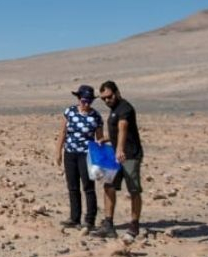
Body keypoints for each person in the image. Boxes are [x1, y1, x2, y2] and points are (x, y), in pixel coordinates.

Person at [95, 80, 144, 239]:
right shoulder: (114, 110)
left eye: (109, 97)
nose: (107, 101)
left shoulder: (125, 108)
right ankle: (108, 224)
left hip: (129, 155)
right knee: (109, 186)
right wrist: (107, 139)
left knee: (134, 190)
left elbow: (123, 127)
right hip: (116, 155)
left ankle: (134, 225)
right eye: (103, 99)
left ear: (116, 92)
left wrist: (120, 149)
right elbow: (117, 132)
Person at [54, 84, 104, 230]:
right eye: (83, 100)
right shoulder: (69, 112)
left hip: (86, 154)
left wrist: (99, 161)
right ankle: (74, 218)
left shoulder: (96, 116)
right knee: (73, 187)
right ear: (78, 99)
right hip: (70, 153)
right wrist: (58, 151)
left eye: (89, 101)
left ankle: (90, 220)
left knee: (88, 187)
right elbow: (62, 132)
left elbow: (99, 139)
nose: (86, 104)